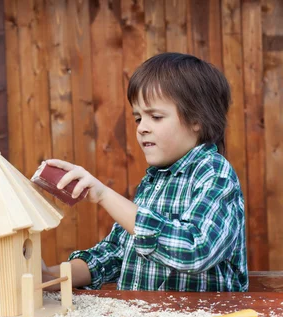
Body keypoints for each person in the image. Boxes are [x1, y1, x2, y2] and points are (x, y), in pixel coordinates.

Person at [44, 52, 247, 292]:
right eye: (138, 118)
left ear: (197, 120)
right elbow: (115, 255)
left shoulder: (214, 173)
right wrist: (50, 278)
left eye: (156, 117)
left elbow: (195, 249)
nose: (142, 128)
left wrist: (104, 195)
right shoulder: (153, 181)